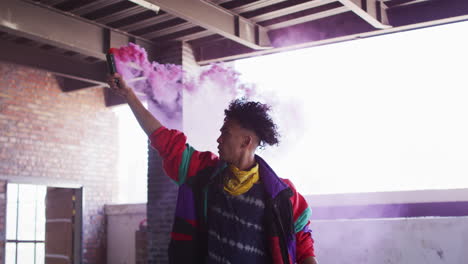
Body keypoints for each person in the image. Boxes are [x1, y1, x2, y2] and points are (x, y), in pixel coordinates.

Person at [107, 73, 318, 264]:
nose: (218, 139)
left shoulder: (283, 194)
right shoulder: (204, 174)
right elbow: (164, 141)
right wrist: (128, 95)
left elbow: (303, 245)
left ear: (246, 141)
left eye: (225, 133)